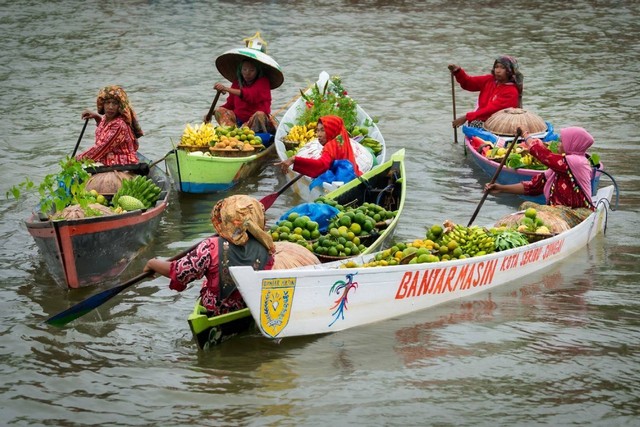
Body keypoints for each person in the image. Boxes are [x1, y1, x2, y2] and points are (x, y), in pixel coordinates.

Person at [144, 195, 275, 316]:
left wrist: (153, 263)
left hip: (216, 311)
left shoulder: (210, 246)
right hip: (248, 308)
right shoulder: (267, 248)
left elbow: (181, 273)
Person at [485, 127, 596, 211]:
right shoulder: (558, 168)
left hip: (578, 213)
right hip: (558, 211)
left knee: (550, 212)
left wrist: (525, 135)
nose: (558, 144)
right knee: (526, 206)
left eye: (562, 141)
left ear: (573, 144)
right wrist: (501, 188)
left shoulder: (577, 162)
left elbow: (544, 156)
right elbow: (533, 186)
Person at [448, 55, 524, 128]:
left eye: (502, 68)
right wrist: (458, 72)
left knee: (475, 123)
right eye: (496, 67)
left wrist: (467, 117)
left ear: (509, 71)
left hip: (499, 124)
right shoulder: (489, 80)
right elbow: (469, 83)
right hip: (484, 119)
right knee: (473, 123)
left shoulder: (511, 91)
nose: (498, 71)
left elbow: (491, 109)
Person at [277, 115, 362, 178]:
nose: (318, 135)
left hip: (343, 180)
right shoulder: (342, 138)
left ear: (331, 130)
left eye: (323, 130)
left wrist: (294, 159)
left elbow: (321, 165)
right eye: (317, 130)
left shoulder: (331, 146)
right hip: (354, 175)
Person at [77, 85, 143, 166]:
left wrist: (76, 160)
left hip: (122, 164)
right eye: (108, 103)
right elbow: (105, 131)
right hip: (108, 159)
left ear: (120, 107)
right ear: (102, 104)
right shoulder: (105, 119)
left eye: (115, 103)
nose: (110, 107)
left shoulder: (119, 124)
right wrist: (97, 118)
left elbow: (100, 149)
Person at [210, 59, 278, 134]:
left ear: (257, 71)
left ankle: (253, 135)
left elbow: (250, 95)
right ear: (240, 70)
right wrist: (211, 113)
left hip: (256, 123)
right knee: (219, 111)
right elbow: (230, 105)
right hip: (239, 122)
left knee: (259, 114)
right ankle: (232, 134)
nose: (247, 73)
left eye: (252, 70)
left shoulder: (263, 82)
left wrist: (226, 88)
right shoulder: (237, 83)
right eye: (244, 69)